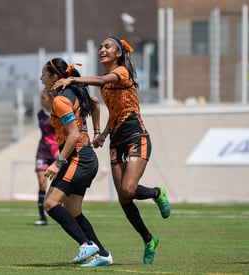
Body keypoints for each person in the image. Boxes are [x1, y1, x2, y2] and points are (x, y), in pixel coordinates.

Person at [53, 37, 170, 264]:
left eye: (107, 46)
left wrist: (71, 80)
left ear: (118, 53)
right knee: (123, 199)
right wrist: (103, 134)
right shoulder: (106, 86)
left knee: (128, 188)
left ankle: (157, 193)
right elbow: (115, 112)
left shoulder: (122, 73)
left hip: (137, 136)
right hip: (116, 141)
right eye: (100, 47)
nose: (102, 49)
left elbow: (99, 79)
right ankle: (149, 239)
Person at [40, 57, 112, 267]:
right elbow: (96, 103)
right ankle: (104, 254)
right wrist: (97, 132)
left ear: (55, 77)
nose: (40, 77)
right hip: (85, 157)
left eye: (43, 74)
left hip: (78, 158)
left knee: (50, 203)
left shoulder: (60, 100)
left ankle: (85, 243)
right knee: (73, 209)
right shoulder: (71, 93)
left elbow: (72, 135)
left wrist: (58, 162)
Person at [34, 90, 57, 226]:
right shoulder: (39, 114)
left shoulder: (58, 114)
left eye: (43, 97)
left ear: (50, 99)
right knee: (42, 183)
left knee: (60, 185)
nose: (41, 100)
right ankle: (42, 217)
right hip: (43, 151)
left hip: (57, 152)